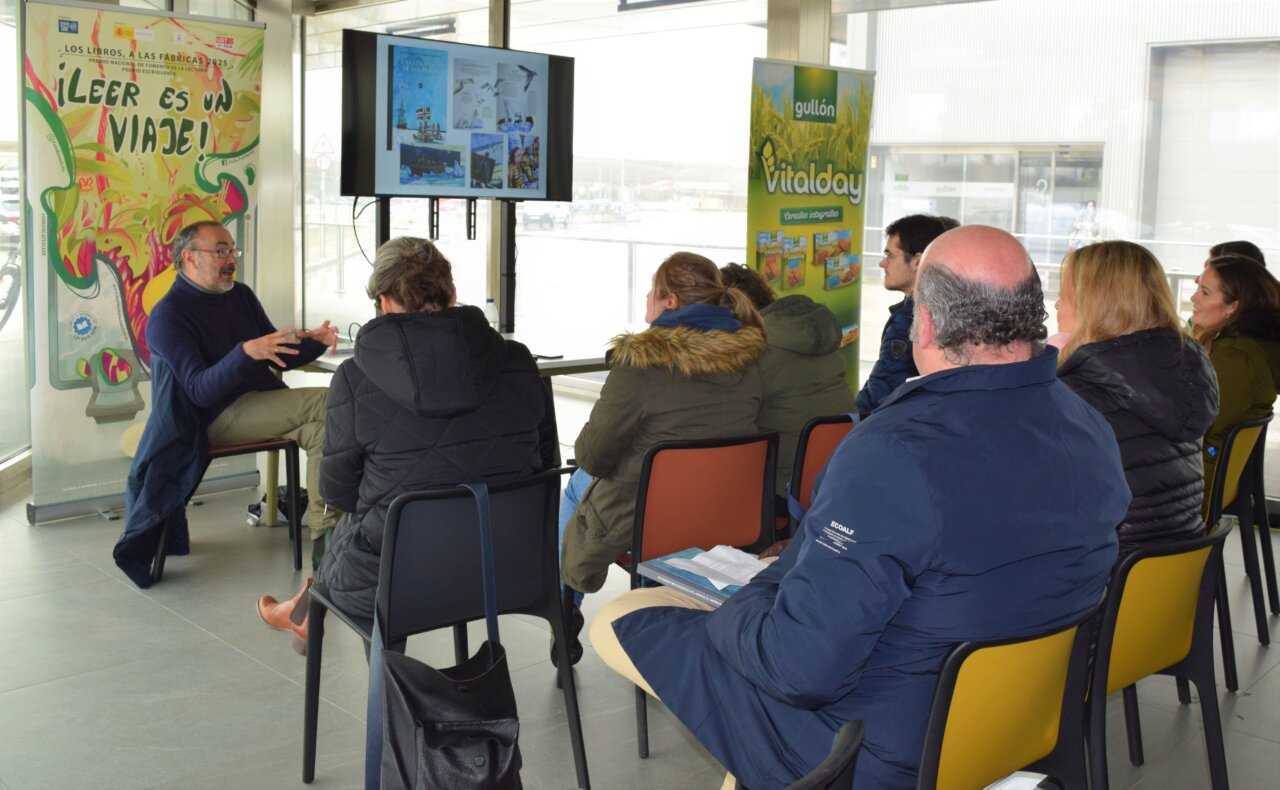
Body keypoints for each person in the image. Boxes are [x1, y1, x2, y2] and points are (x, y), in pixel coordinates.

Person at [590, 226, 1129, 789]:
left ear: (926, 322)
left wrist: (736, 609)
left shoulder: (896, 451)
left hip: (872, 752)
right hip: (1011, 728)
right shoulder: (1088, 426)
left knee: (624, 621)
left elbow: (796, 670)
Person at [257, 237, 555, 650]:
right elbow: (545, 464)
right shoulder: (519, 360)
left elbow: (338, 491)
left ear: (384, 300)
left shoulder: (354, 377)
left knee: (356, 532)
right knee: (368, 528)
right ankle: (305, 611)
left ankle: (312, 616)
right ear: (452, 293)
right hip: (510, 562)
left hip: (400, 577)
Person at [558, 253, 765, 616]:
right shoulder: (750, 359)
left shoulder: (640, 362)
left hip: (648, 517)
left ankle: (565, 601)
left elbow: (594, 455)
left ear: (670, 301)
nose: (647, 298)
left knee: (578, 480)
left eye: (652, 290)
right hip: (725, 512)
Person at [146, 220, 340, 564]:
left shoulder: (240, 295)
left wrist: (315, 344)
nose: (231, 259)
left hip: (259, 404)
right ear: (190, 258)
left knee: (323, 429)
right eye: (220, 251)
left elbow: (275, 354)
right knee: (328, 401)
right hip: (213, 417)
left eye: (232, 250)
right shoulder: (168, 316)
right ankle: (331, 537)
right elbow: (199, 391)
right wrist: (245, 352)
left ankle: (326, 536)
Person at [1054, 241, 1217, 554]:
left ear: (1095, 306)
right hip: (1167, 576)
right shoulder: (1182, 373)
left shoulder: (1073, 397)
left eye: (1065, 296)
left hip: (1107, 579)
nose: (1057, 306)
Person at [719, 262, 854, 499]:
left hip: (783, 483)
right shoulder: (822, 344)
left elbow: (727, 425)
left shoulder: (756, 350)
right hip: (837, 476)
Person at [1190, 253, 1280, 484]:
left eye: (1205, 292)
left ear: (1233, 306)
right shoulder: (1247, 346)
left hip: (1191, 484)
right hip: (1198, 472)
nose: (1193, 298)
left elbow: (1193, 425)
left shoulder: (1236, 359)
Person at [854, 214, 949, 415]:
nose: (882, 263)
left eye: (889, 255)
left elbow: (882, 392)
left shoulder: (908, 321)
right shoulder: (949, 309)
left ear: (917, 261)